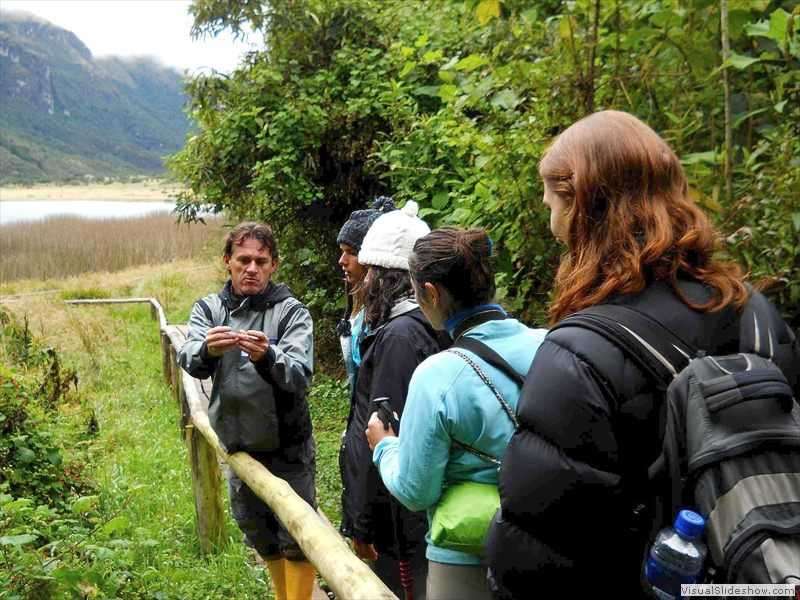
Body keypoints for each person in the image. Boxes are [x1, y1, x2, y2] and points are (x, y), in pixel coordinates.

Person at [484, 110, 800, 598]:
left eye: (553, 206)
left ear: (583, 205)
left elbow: (538, 556)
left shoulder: (580, 352)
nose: (552, 227)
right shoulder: (759, 315)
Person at [365, 227, 548, 600]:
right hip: (544, 534)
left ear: (430, 293)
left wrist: (384, 447)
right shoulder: (550, 344)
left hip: (467, 554)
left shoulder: (438, 376)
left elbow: (416, 490)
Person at [178, 222, 317, 600]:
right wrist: (208, 349)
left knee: (298, 535)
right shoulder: (209, 308)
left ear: (274, 265)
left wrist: (267, 355)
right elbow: (189, 356)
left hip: (288, 446)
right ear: (228, 262)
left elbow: (300, 374)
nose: (251, 268)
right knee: (257, 531)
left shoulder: (292, 312)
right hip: (239, 446)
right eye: (243, 260)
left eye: (261, 260)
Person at [339, 201, 441, 599]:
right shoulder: (423, 326)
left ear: (382, 276)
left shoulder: (399, 336)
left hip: (398, 523)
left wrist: (362, 525)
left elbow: (381, 431)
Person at [336, 197, 397, 393]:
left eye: (351, 252)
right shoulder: (359, 309)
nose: (342, 261)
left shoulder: (390, 314)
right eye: (342, 252)